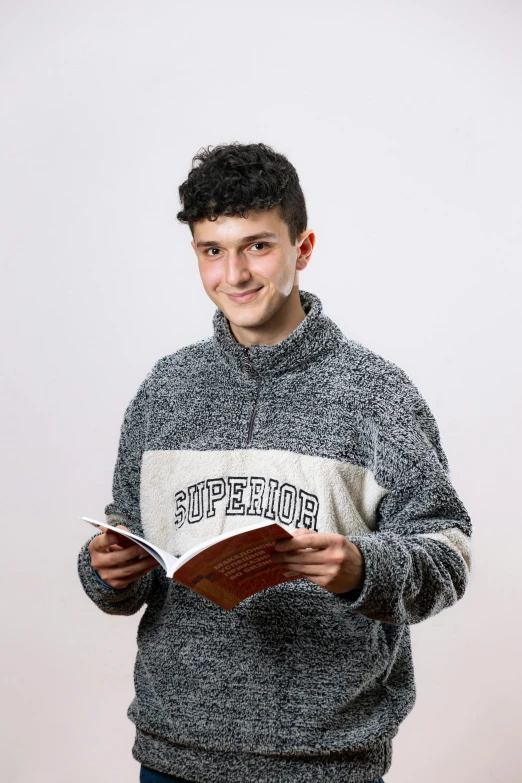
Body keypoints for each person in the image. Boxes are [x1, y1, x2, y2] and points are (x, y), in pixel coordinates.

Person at [78, 142, 472, 783]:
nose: (233, 275)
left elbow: (448, 554)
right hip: (171, 754)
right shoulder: (166, 389)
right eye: (212, 250)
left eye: (257, 246)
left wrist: (361, 568)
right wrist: (109, 569)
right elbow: (130, 545)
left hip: (323, 763)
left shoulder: (377, 393)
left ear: (303, 248)